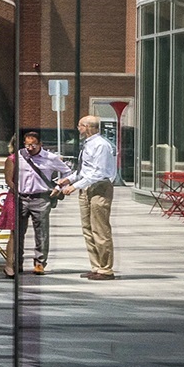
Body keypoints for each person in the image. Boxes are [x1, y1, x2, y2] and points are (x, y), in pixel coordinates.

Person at [9, 130, 69, 276]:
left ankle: (39, 263)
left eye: (33, 145)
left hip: (41, 198)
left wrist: (59, 187)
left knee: (41, 232)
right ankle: (17, 263)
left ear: (40, 144)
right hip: (21, 198)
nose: (30, 148)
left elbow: (68, 172)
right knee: (18, 232)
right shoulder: (19, 156)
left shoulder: (50, 158)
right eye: (27, 144)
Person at [69, 114, 117, 280]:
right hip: (86, 187)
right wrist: (69, 180)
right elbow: (85, 170)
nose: (78, 129)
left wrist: (74, 186)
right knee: (88, 229)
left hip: (99, 188)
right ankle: (96, 266)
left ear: (88, 127)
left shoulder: (101, 145)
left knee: (100, 229)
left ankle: (106, 269)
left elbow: (99, 172)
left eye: (80, 126)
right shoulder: (87, 144)